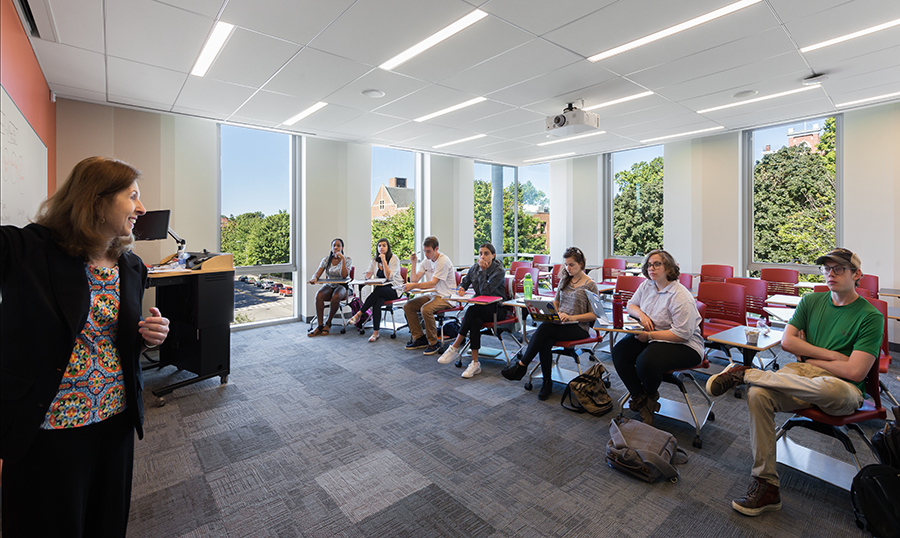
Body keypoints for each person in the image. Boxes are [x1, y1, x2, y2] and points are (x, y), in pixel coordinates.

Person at [1, 157, 170, 537]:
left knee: (106, 524)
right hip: (49, 426)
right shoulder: (29, 250)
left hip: (115, 420)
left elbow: (116, 338)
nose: (141, 208)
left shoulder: (130, 266)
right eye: (133, 196)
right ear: (96, 200)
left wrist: (149, 335)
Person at [705, 248, 883, 517]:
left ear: (857, 274)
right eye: (827, 269)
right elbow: (788, 342)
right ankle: (766, 485)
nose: (830, 274)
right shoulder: (810, 301)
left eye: (839, 269)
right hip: (799, 374)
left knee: (830, 389)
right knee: (758, 396)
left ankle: (747, 373)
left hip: (841, 387)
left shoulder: (870, 316)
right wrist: (835, 356)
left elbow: (856, 372)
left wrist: (811, 354)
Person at [611, 250, 704, 426]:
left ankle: (648, 396)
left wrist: (649, 336)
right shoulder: (648, 285)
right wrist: (642, 316)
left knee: (646, 361)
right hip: (652, 337)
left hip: (686, 345)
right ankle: (643, 400)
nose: (651, 268)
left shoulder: (680, 296)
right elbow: (631, 305)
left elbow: (682, 333)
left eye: (657, 264)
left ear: (669, 267)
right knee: (619, 352)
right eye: (649, 265)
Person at [501, 247, 598, 400]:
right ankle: (547, 382)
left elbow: (594, 314)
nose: (568, 268)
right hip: (560, 324)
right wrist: (552, 313)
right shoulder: (565, 280)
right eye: (566, 264)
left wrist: (571, 317)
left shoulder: (590, 284)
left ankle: (522, 366)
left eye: (572, 265)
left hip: (578, 326)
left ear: (581, 264)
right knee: (545, 341)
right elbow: (557, 303)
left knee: (544, 329)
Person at [437, 243, 509, 378]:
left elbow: (485, 292)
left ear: (493, 255)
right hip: (480, 309)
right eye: (480, 253)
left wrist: (482, 271)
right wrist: (461, 289)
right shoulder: (474, 268)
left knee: (471, 311)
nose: (482, 256)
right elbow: (463, 283)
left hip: (496, 310)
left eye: (486, 253)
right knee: (474, 321)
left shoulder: (499, 271)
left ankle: (455, 346)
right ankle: (475, 364)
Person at [402, 236, 456, 355]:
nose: (426, 254)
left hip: (446, 297)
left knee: (425, 309)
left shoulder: (443, 261)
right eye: (425, 251)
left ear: (436, 249)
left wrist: (412, 286)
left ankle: (433, 343)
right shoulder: (427, 260)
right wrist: (414, 263)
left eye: (429, 251)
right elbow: (415, 279)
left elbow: (433, 283)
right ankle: (420, 338)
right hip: (433, 294)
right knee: (408, 306)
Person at [349, 238, 403, 342]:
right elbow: (369, 273)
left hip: (395, 289)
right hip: (382, 290)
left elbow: (389, 277)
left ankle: (359, 314)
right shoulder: (374, 260)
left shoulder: (394, 259)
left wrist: (384, 261)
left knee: (377, 292)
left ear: (388, 247)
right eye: (379, 246)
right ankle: (376, 332)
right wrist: (368, 276)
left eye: (384, 245)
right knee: (377, 302)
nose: (381, 247)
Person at [307, 238, 352, 336]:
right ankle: (319, 325)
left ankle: (328, 323)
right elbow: (318, 273)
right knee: (319, 295)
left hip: (343, 286)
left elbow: (344, 275)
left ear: (342, 248)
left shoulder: (347, 259)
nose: (336, 247)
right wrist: (314, 278)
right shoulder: (326, 260)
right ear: (331, 248)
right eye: (334, 245)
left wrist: (342, 258)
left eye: (338, 246)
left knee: (336, 296)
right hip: (330, 284)